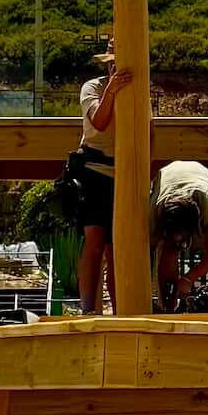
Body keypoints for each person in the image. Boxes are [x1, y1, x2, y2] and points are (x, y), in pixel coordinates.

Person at [62, 52, 127, 312]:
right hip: (94, 171)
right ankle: (88, 308)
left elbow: (149, 129)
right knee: (95, 241)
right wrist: (111, 91)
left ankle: (121, 309)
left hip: (124, 175)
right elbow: (99, 122)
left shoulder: (138, 89)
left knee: (118, 248)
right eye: (112, 63)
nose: (115, 67)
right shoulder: (93, 87)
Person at [152, 158, 208, 306]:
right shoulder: (154, 212)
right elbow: (147, 253)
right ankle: (168, 307)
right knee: (169, 248)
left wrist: (188, 279)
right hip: (167, 177)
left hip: (201, 176)